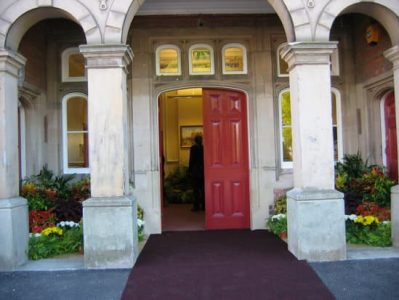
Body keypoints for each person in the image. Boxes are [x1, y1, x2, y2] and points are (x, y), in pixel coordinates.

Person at [188, 134, 205, 211]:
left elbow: (191, 160)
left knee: (196, 190)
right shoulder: (204, 148)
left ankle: (196, 206)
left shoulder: (193, 148)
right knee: (203, 189)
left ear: (195, 140)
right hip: (203, 171)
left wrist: (190, 170)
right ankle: (204, 206)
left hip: (195, 171)